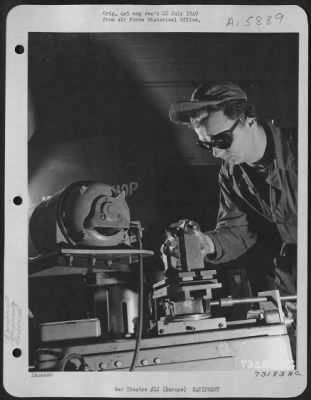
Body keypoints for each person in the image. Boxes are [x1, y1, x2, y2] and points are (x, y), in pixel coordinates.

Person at [168, 81, 297, 298]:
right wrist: (206, 243)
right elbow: (239, 230)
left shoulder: (300, 149)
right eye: (207, 145)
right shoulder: (231, 174)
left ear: (249, 119)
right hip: (294, 278)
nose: (216, 154)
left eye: (222, 140)